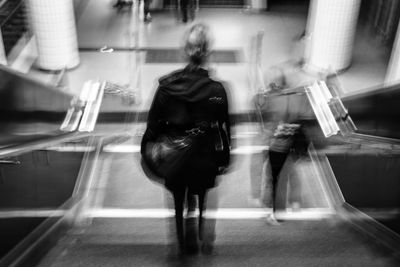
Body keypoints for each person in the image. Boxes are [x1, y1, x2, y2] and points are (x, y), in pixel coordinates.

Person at [141, 23, 231, 255]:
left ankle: (180, 240)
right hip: (205, 158)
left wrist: (147, 154)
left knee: (178, 198)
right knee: (201, 194)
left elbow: (152, 128)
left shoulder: (167, 88)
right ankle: (202, 231)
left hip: (174, 158)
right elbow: (224, 128)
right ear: (208, 51)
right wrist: (225, 159)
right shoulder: (217, 91)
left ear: (185, 50)